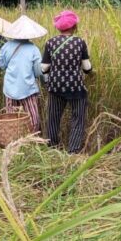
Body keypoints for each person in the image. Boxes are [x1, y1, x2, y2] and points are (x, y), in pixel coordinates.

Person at [42, 10, 92, 154]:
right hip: (76, 87)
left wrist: (50, 76)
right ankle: (73, 151)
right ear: (74, 26)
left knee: (53, 117)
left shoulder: (50, 42)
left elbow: (44, 67)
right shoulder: (79, 42)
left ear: (58, 27)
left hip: (55, 86)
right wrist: (90, 72)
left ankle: (52, 148)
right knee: (78, 117)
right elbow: (86, 67)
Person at [0, 15, 47, 133]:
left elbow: (1, 65)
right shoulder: (33, 49)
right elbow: (38, 71)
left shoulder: (6, 46)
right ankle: (32, 137)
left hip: (10, 87)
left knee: (11, 116)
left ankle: (13, 137)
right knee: (32, 115)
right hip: (27, 87)